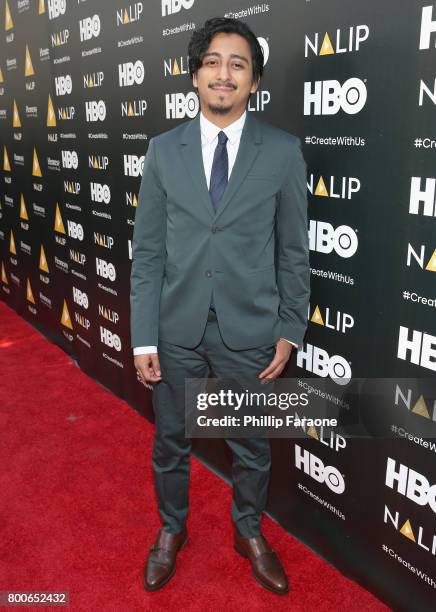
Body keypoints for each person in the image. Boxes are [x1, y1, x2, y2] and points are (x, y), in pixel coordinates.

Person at [130, 16, 310, 595]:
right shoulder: (162, 151)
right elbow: (149, 253)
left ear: (254, 80)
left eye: (237, 64)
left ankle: (249, 531)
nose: (223, 73)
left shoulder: (282, 153)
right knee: (170, 443)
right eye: (212, 61)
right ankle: (172, 530)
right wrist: (143, 337)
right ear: (195, 74)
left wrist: (290, 328)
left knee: (251, 446)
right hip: (177, 327)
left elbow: (293, 252)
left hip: (249, 329)